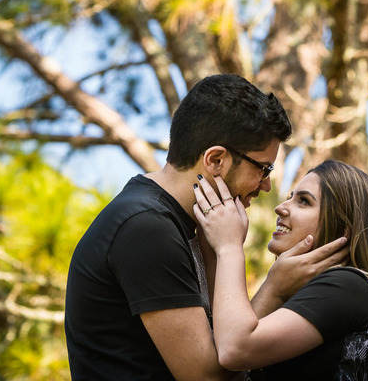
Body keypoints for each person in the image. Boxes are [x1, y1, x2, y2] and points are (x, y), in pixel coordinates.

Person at [65, 74, 350, 381]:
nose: (266, 185)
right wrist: (273, 289)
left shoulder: (186, 226)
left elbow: (225, 344)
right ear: (216, 160)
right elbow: (206, 375)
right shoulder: (147, 227)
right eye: (263, 168)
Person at [193, 159, 368, 380]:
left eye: (304, 201)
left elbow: (234, 350)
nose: (280, 207)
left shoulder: (348, 285)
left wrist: (229, 247)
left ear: (344, 228)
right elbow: (223, 366)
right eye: (290, 197)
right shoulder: (332, 293)